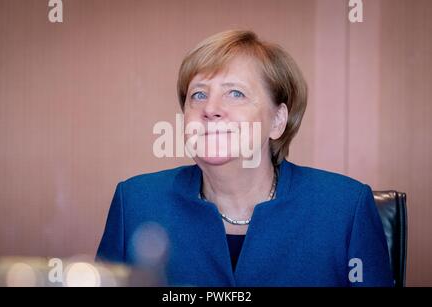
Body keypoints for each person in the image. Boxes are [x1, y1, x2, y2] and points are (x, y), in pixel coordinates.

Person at [97, 30, 393, 287]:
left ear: (277, 121)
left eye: (235, 93)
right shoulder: (136, 202)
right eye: (198, 95)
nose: (211, 109)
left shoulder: (345, 208)